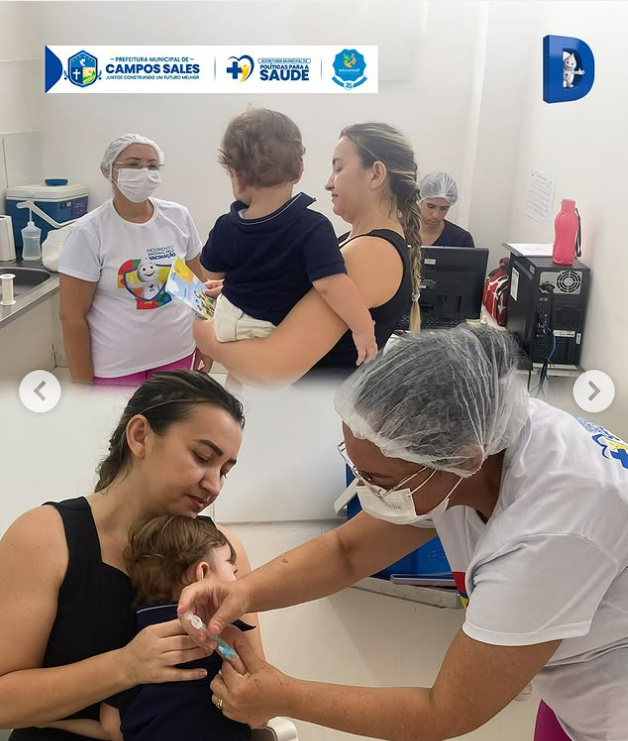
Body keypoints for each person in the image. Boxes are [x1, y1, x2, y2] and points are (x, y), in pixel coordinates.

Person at [179, 326, 628, 741]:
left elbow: (445, 710)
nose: (367, 491)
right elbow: (347, 552)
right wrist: (242, 592)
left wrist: (284, 696)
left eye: (381, 481)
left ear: (463, 459)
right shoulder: (478, 426)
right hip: (572, 695)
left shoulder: (552, 530)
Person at [0, 371, 262, 741]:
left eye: (225, 471)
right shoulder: (44, 537)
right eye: (202, 457)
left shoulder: (224, 552)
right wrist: (124, 667)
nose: (215, 484)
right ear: (140, 436)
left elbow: (257, 702)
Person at [193, 121, 420, 386]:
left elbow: (270, 370)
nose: (328, 183)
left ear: (376, 174)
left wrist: (204, 336)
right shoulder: (350, 242)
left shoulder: (370, 253)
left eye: (338, 168)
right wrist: (245, 287)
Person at [45, 515, 253, 741]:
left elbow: (111, 728)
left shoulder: (128, 642)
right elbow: (254, 691)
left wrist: (53, 721)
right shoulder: (223, 634)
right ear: (202, 573)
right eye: (233, 571)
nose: (237, 581)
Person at [59, 134, 206, 387]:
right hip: (116, 366)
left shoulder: (177, 218)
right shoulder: (89, 232)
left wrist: (207, 342)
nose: (144, 172)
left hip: (178, 354)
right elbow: (72, 317)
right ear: (108, 170)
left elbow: (196, 289)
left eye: (152, 165)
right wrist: (82, 386)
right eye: (134, 165)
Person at [418, 171, 475, 247]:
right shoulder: (402, 233)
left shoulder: (462, 239)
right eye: (430, 206)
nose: (436, 215)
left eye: (444, 208)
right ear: (420, 200)